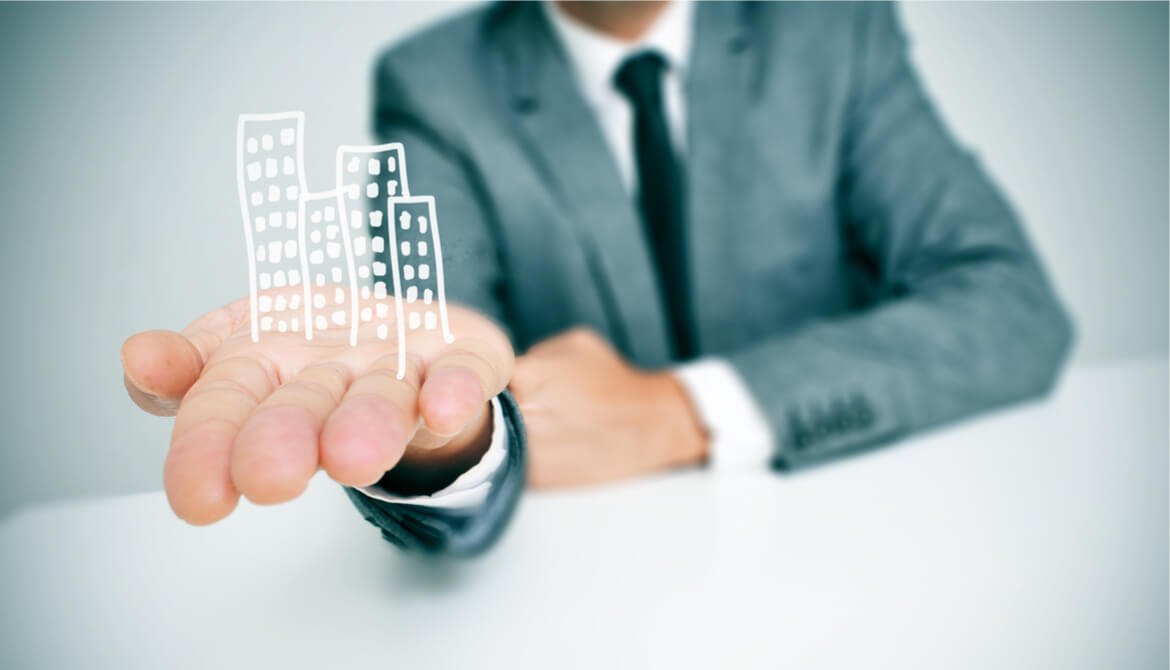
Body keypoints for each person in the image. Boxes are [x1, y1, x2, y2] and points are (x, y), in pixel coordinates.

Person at [121, 1, 1072, 555]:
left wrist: (679, 409)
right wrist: (443, 440)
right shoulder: (435, 82)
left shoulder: (832, 29)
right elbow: (439, 350)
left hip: (859, 545)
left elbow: (1013, 306)